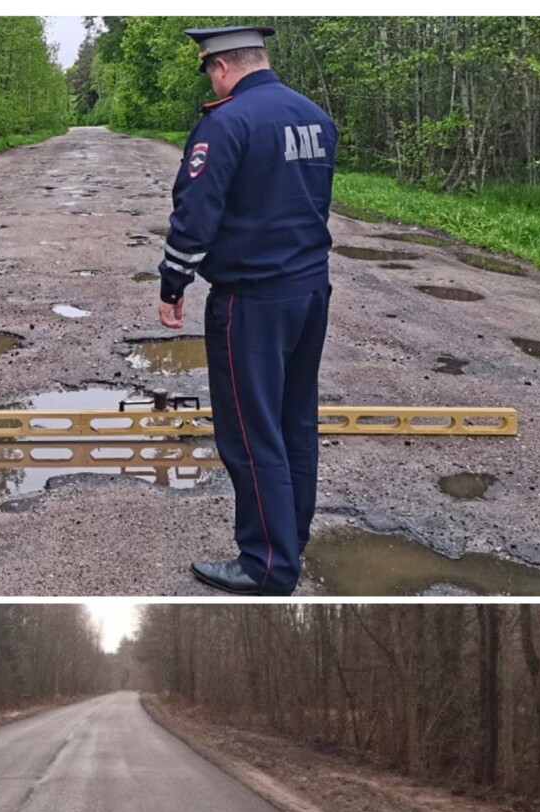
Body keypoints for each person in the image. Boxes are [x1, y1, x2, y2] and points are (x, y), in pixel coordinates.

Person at [158, 26, 336, 595]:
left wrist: (173, 281)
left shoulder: (227, 123)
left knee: (251, 434)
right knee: (294, 424)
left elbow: (195, 212)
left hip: (252, 300)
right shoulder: (315, 117)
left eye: (209, 71)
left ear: (219, 68)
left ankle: (265, 565)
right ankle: (291, 538)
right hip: (310, 291)